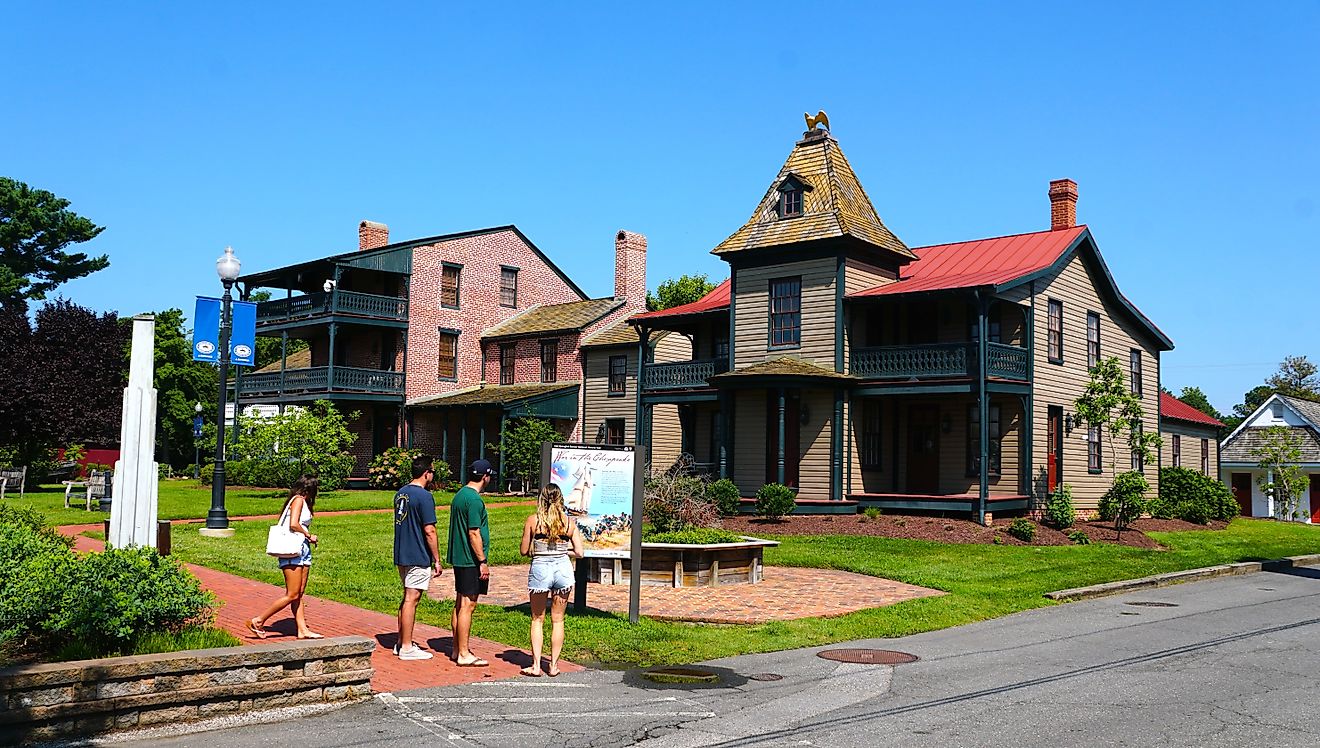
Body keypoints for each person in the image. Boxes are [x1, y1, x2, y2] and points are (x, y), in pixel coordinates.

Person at [518, 483, 583, 677]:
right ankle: (553, 665)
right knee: (558, 620)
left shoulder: (533, 520)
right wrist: (564, 550)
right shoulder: (569, 523)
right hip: (563, 569)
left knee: (537, 619)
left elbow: (523, 551)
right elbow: (579, 552)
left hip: (540, 568)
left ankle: (536, 665)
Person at [248, 475, 322, 640]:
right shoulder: (298, 500)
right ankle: (258, 621)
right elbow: (293, 524)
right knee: (292, 594)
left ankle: (302, 630)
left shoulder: (302, 501)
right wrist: (309, 535)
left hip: (302, 550)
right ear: (309, 489)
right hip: (292, 550)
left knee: (299, 593)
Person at [394, 455, 444, 661]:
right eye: (432, 471)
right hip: (417, 554)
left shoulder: (400, 493)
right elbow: (429, 530)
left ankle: (400, 641)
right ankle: (406, 647)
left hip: (402, 552)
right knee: (412, 599)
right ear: (426, 473)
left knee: (406, 597)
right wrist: (437, 559)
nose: (433, 474)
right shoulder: (424, 497)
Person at [448, 458, 494, 667]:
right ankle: (465, 653)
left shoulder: (459, 496)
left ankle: (457, 648)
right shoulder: (475, 500)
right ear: (485, 476)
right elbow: (474, 532)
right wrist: (482, 561)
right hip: (470, 559)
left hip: (459, 557)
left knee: (460, 603)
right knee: (468, 604)